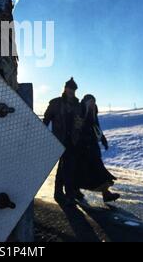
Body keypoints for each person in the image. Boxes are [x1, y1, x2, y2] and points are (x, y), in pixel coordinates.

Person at [44, 78, 84, 206]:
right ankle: (67, 192)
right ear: (65, 89)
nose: (71, 91)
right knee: (65, 165)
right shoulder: (56, 103)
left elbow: (81, 121)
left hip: (73, 140)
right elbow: (46, 118)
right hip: (59, 139)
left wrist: (80, 127)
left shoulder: (78, 105)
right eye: (70, 88)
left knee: (67, 165)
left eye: (73, 89)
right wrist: (42, 135)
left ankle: (61, 192)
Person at [74, 95, 120, 203]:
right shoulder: (80, 111)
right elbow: (76, 127)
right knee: (82, 170)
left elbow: (97, 127)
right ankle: (75, 190)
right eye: (90, 102)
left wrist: (103, 139)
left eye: (93, 102)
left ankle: (106, 194)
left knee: (99, 170)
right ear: (85, 102)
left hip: (93, 146)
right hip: (82, 147)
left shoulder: (93, 111)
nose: (91, 104)